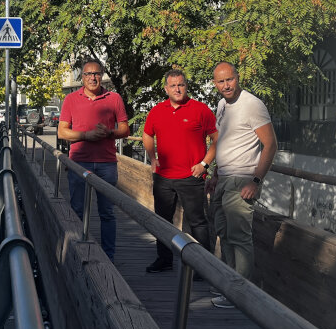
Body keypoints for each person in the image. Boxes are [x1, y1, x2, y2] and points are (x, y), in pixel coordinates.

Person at [208, 61, 277, 308]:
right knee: (224, 234)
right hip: (224, 178)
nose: (226, 85)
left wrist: (256, 181)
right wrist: (215, 174)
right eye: (220, 81)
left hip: (242, 180)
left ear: (238, 78)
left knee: (239, 238)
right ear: (215, 83)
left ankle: (241, 294)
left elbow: (270, 145)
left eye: (230, 79)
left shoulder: (252, 105)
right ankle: (230, 284)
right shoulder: (222, 105)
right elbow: (224, 142)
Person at [142, 69, 218, 273]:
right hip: (163, 177)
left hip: (191, 177)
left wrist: (205, 164)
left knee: (198, 222)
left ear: (186, 86)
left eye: (181, 84)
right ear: (166, 88)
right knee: (162, 221)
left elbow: (217, 140)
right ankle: (165, 260)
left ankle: (204, 267)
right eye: (173, 85)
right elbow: (147, 134)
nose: (177, 88)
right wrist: (152, 158)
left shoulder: (200, 110)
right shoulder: (157, 111)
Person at [58, 60, 130, 261]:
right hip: (79, 161)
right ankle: (77, 251)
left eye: (96, 73)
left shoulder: (114, 98)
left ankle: (109, 256)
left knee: (107, 211)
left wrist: (109, 132)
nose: (92, 77)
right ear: (82, 77)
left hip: (107, 163)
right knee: (77, 210)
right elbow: (62, 131)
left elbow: (125, 129)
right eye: (88, 74)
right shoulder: (71, 99)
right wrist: (86, 135)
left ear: (102, 75)